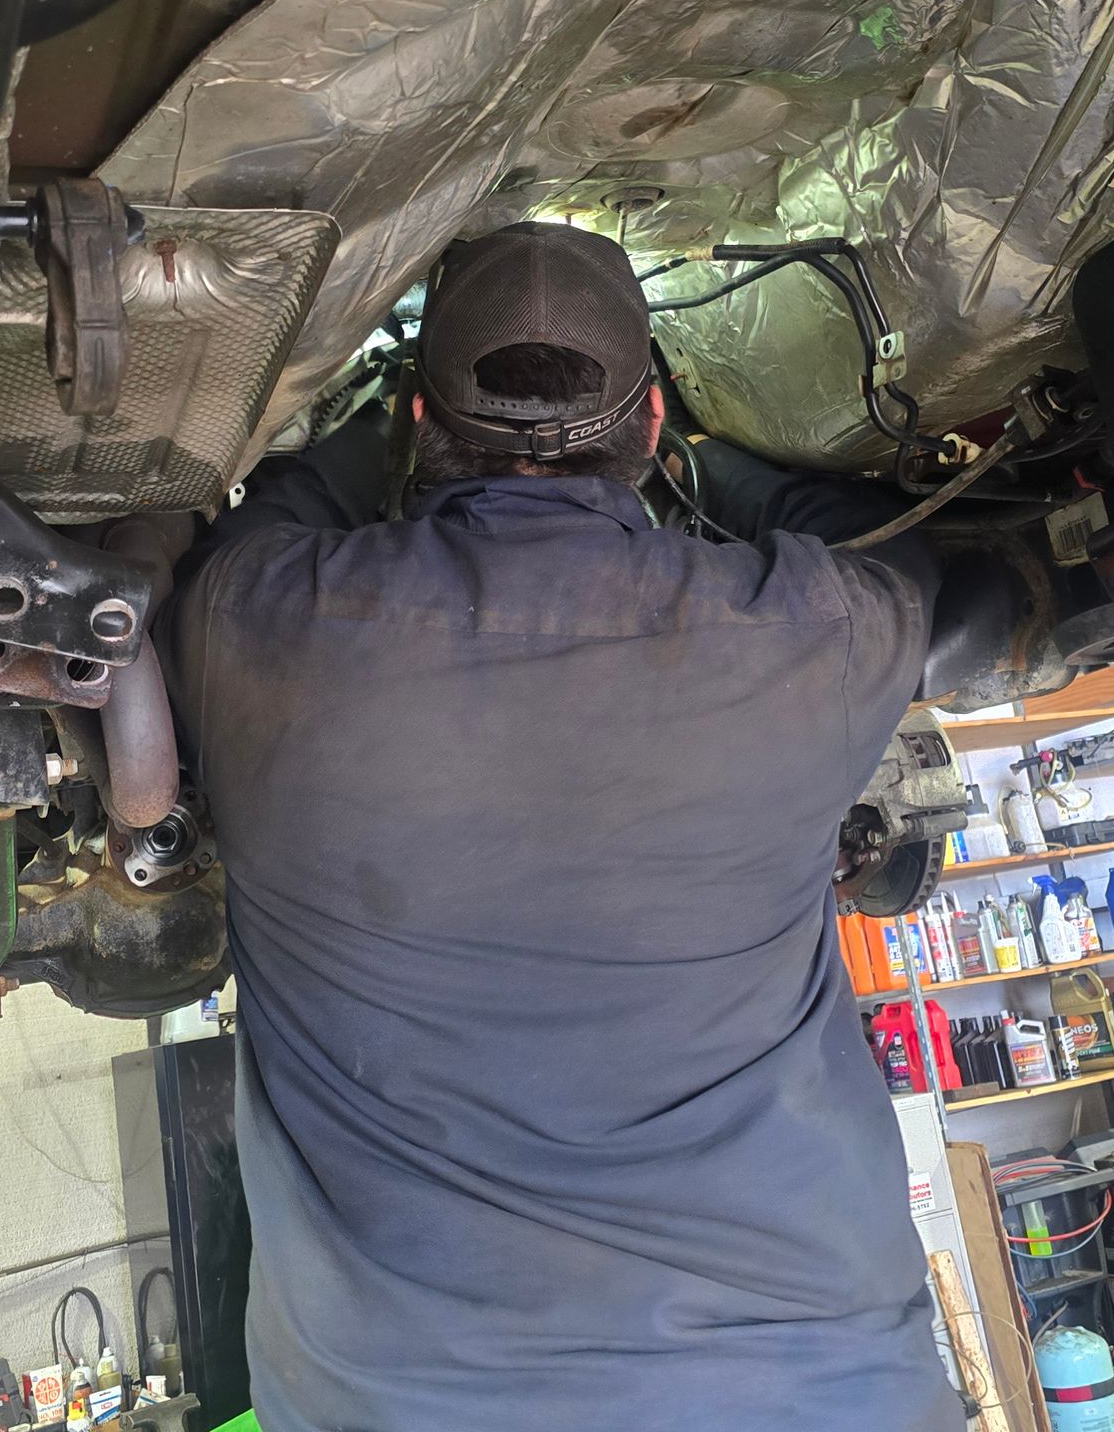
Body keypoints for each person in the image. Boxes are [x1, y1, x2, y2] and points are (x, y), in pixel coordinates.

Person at [130, 221, 965, 1432]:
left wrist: (368, 428)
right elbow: (905, 560)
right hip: (798, 1388)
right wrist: (718, 461)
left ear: (424, 426)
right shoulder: (810, 633)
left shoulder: (257, 627)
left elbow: (272, 517)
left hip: (411, 1398)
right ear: (652, 425)